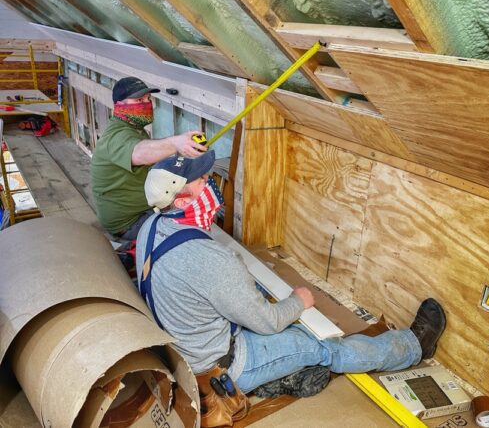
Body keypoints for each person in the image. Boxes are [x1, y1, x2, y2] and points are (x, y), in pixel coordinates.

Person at [136, 152, 446, 397]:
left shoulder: (150, 227)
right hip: (224, 365)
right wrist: (299, 301)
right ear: (182, 200)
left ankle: (282, 375)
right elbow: (268, 323)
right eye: (202, 180)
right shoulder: (210, 259)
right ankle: (414, 347)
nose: (211, 182)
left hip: (183, 352)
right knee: (319, 344)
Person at [91, 76, 207, 240]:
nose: (147, 103)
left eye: (148, 99)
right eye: (139, 99)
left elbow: (150, 154)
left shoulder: (135, 129)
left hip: (143, 210)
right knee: (192, 227)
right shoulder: (115, 136)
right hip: (130, 223)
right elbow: (139, 153)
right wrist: (176, 143)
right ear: (119, 106)